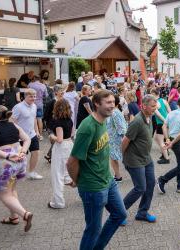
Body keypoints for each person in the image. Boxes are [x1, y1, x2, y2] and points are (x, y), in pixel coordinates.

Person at [67, 90, 127, 250]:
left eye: (113, 102)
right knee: (93, 229)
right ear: (97, 104)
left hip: (108, 180)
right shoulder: (87, 127)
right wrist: (78, 181)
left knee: (120, 214)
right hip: (93, 188)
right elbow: (72, 162)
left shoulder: (104, 121)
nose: (112, 105)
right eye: (108, 103)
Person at [0, 105, 33, 232]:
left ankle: (25, 214)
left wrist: (7, 155)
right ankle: (14, 217)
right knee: (11, 189)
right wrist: (23, 151)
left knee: (4, 194)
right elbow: (27, 139)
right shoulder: (14, 125)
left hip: (6, 163)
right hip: (20, 161)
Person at [121, 95, 158, 223]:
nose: (155, 108)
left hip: (146, 158)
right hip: (134, 160)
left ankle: (142, 213)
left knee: (151, 183)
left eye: (155, 105)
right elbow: (125, 141)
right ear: (143, 106)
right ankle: (119, 213)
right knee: (140, 188)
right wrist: (124, 158)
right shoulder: (136, 121)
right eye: (153, 106)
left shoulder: (150, 116)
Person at [157, 96, 180, 194]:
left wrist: (167, 138)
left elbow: (164, 126)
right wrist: (171, 143)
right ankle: (162, 180)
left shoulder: (171, 113)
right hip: (179, 142)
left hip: (173, 140)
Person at [47, 99, 73, 209]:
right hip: (70, 145)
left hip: (61, 147)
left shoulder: (57, 122)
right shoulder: (70, 120)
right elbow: (71, 134)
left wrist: (51, 136)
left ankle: (58, 202)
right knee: (68, 173)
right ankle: (86, 193)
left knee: (57, 174)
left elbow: (59, 139)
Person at [12, 89, 42, 180]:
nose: (33, 98)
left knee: (36, 152)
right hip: (21, 137)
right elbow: (12, 121)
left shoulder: (34, 106)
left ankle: (32, 172)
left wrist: (36, 131)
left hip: (32, 134)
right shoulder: (18, 107)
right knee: (21, 156)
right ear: (25, 97)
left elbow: (34, 119)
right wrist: (16, 134)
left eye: (34, 96)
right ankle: (16, 172)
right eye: (31, 96)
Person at [106, 95, 128, 182]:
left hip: (115, 139)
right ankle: (117, 175)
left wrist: (123, 138)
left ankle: (118, 177)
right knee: (116, 157)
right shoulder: (115, 111)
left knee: (114, 158)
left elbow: (121, 128)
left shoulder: (114, 112)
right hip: (113, 138)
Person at [43, 85, 64, 163]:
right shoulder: (51, 102)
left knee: (57, 142)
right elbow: (46, 115)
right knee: (55, 142)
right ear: (56, 93)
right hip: (51, 125)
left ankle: (50, 156)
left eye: (62, 91)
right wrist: (48, 126)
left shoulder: (62, 101)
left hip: (60, 125)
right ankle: (50, 156)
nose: (62, 92)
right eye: (60, 91)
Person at [150, 88, 171, 164]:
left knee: (161, 141)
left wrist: (165, 121)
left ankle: (166, 158)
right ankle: (164, 151)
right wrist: (168, 120)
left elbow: (158, 115)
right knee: (155, 138)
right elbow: (169, 111)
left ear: (153, 94)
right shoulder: (164, 100)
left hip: (161, 124)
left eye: (151, 94)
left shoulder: (154, 103)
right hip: (165, 122)